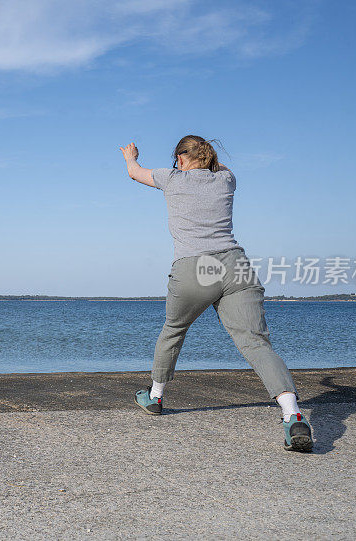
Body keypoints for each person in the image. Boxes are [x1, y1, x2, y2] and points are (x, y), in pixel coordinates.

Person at [119, 135, 313, 452]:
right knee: (256, 343)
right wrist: (205, 158)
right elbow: (217, 165)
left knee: (174, 330)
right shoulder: (225, 179)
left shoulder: (171, 178)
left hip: (194, 268)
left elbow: (134, 172)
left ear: (180, 159)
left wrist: (130, 156)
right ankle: (292, 416)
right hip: (234, 266)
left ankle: (155, 396)